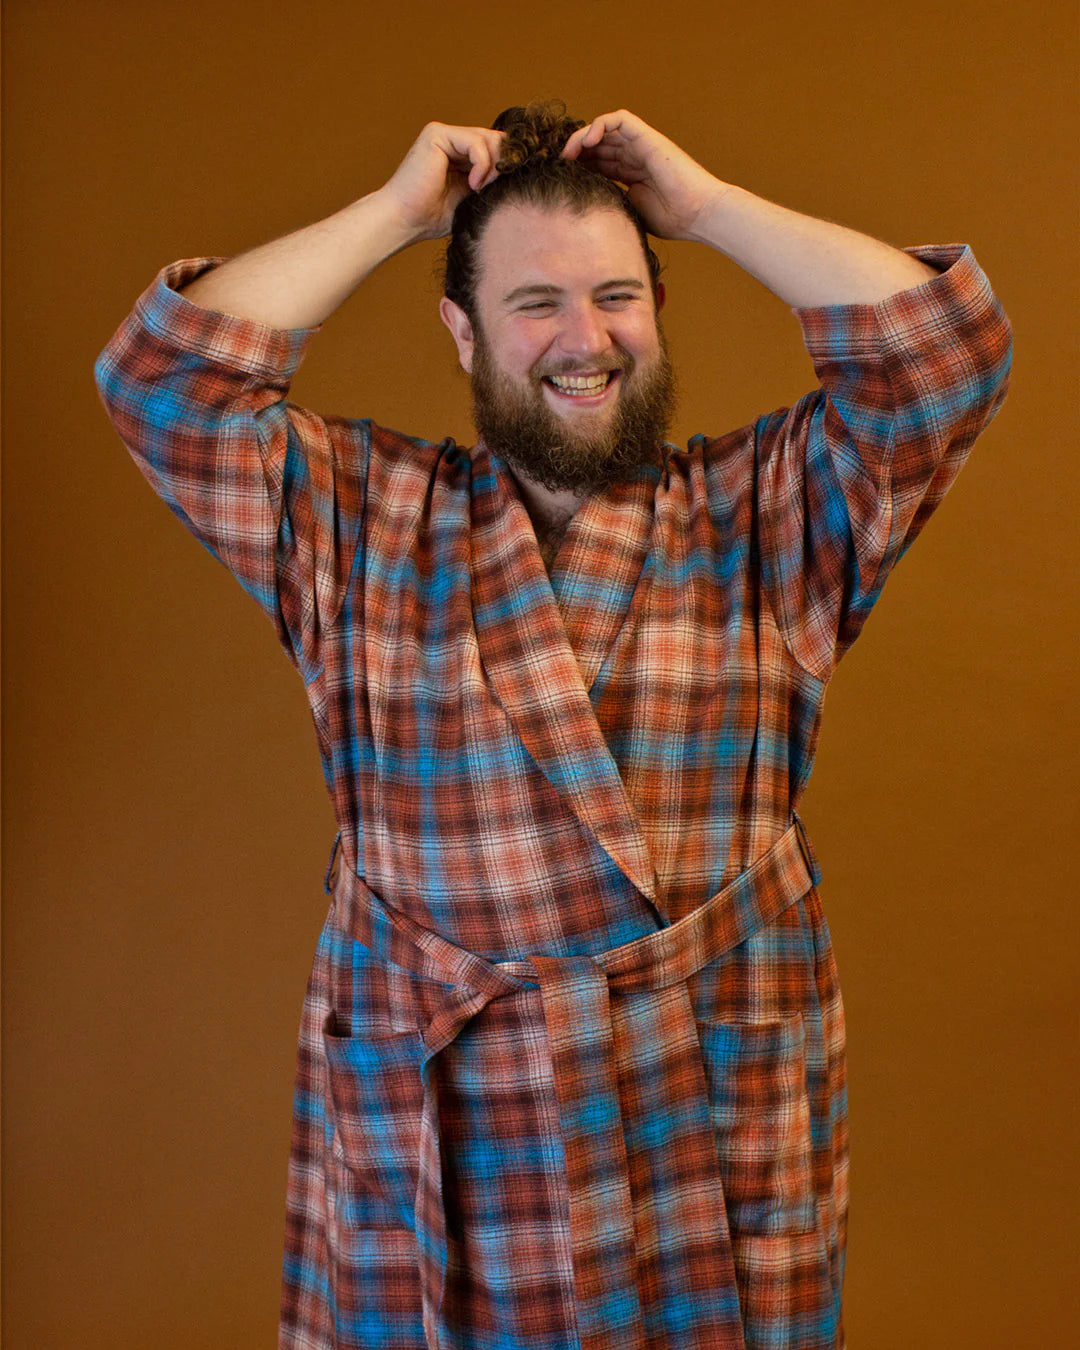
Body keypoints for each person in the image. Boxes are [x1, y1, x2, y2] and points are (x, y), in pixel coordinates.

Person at [94, 100, 1012, 1350]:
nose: (587, 340)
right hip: (451, 1109)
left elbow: (947, 352)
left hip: (696, 1092)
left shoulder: (771, 510)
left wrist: (707, 210)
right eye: (538, 304)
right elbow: (163, 382)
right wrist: (389, 218)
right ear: (463, 333)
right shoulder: (356, 519)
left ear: (657, 309)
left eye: (619, 295)